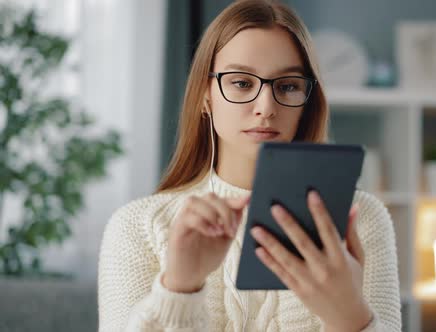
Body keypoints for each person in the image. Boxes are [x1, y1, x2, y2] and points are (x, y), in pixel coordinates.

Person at [98, 1, 401, 331]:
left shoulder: (362, 220)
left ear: (307, 100)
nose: (266, 107)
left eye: (287, 86)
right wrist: (179, 289)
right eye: (242, 83)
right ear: (205, 95)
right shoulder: (135, 228)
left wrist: (349, 317)